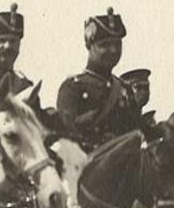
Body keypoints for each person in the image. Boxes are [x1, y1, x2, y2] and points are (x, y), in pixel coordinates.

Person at [56, 8, 141, 148]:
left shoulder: (124, 89)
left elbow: (136, 133)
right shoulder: (73, 88)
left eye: (117, 44)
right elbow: (66, 138)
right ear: (89, 46)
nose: (113, 50)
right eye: (105, 45)